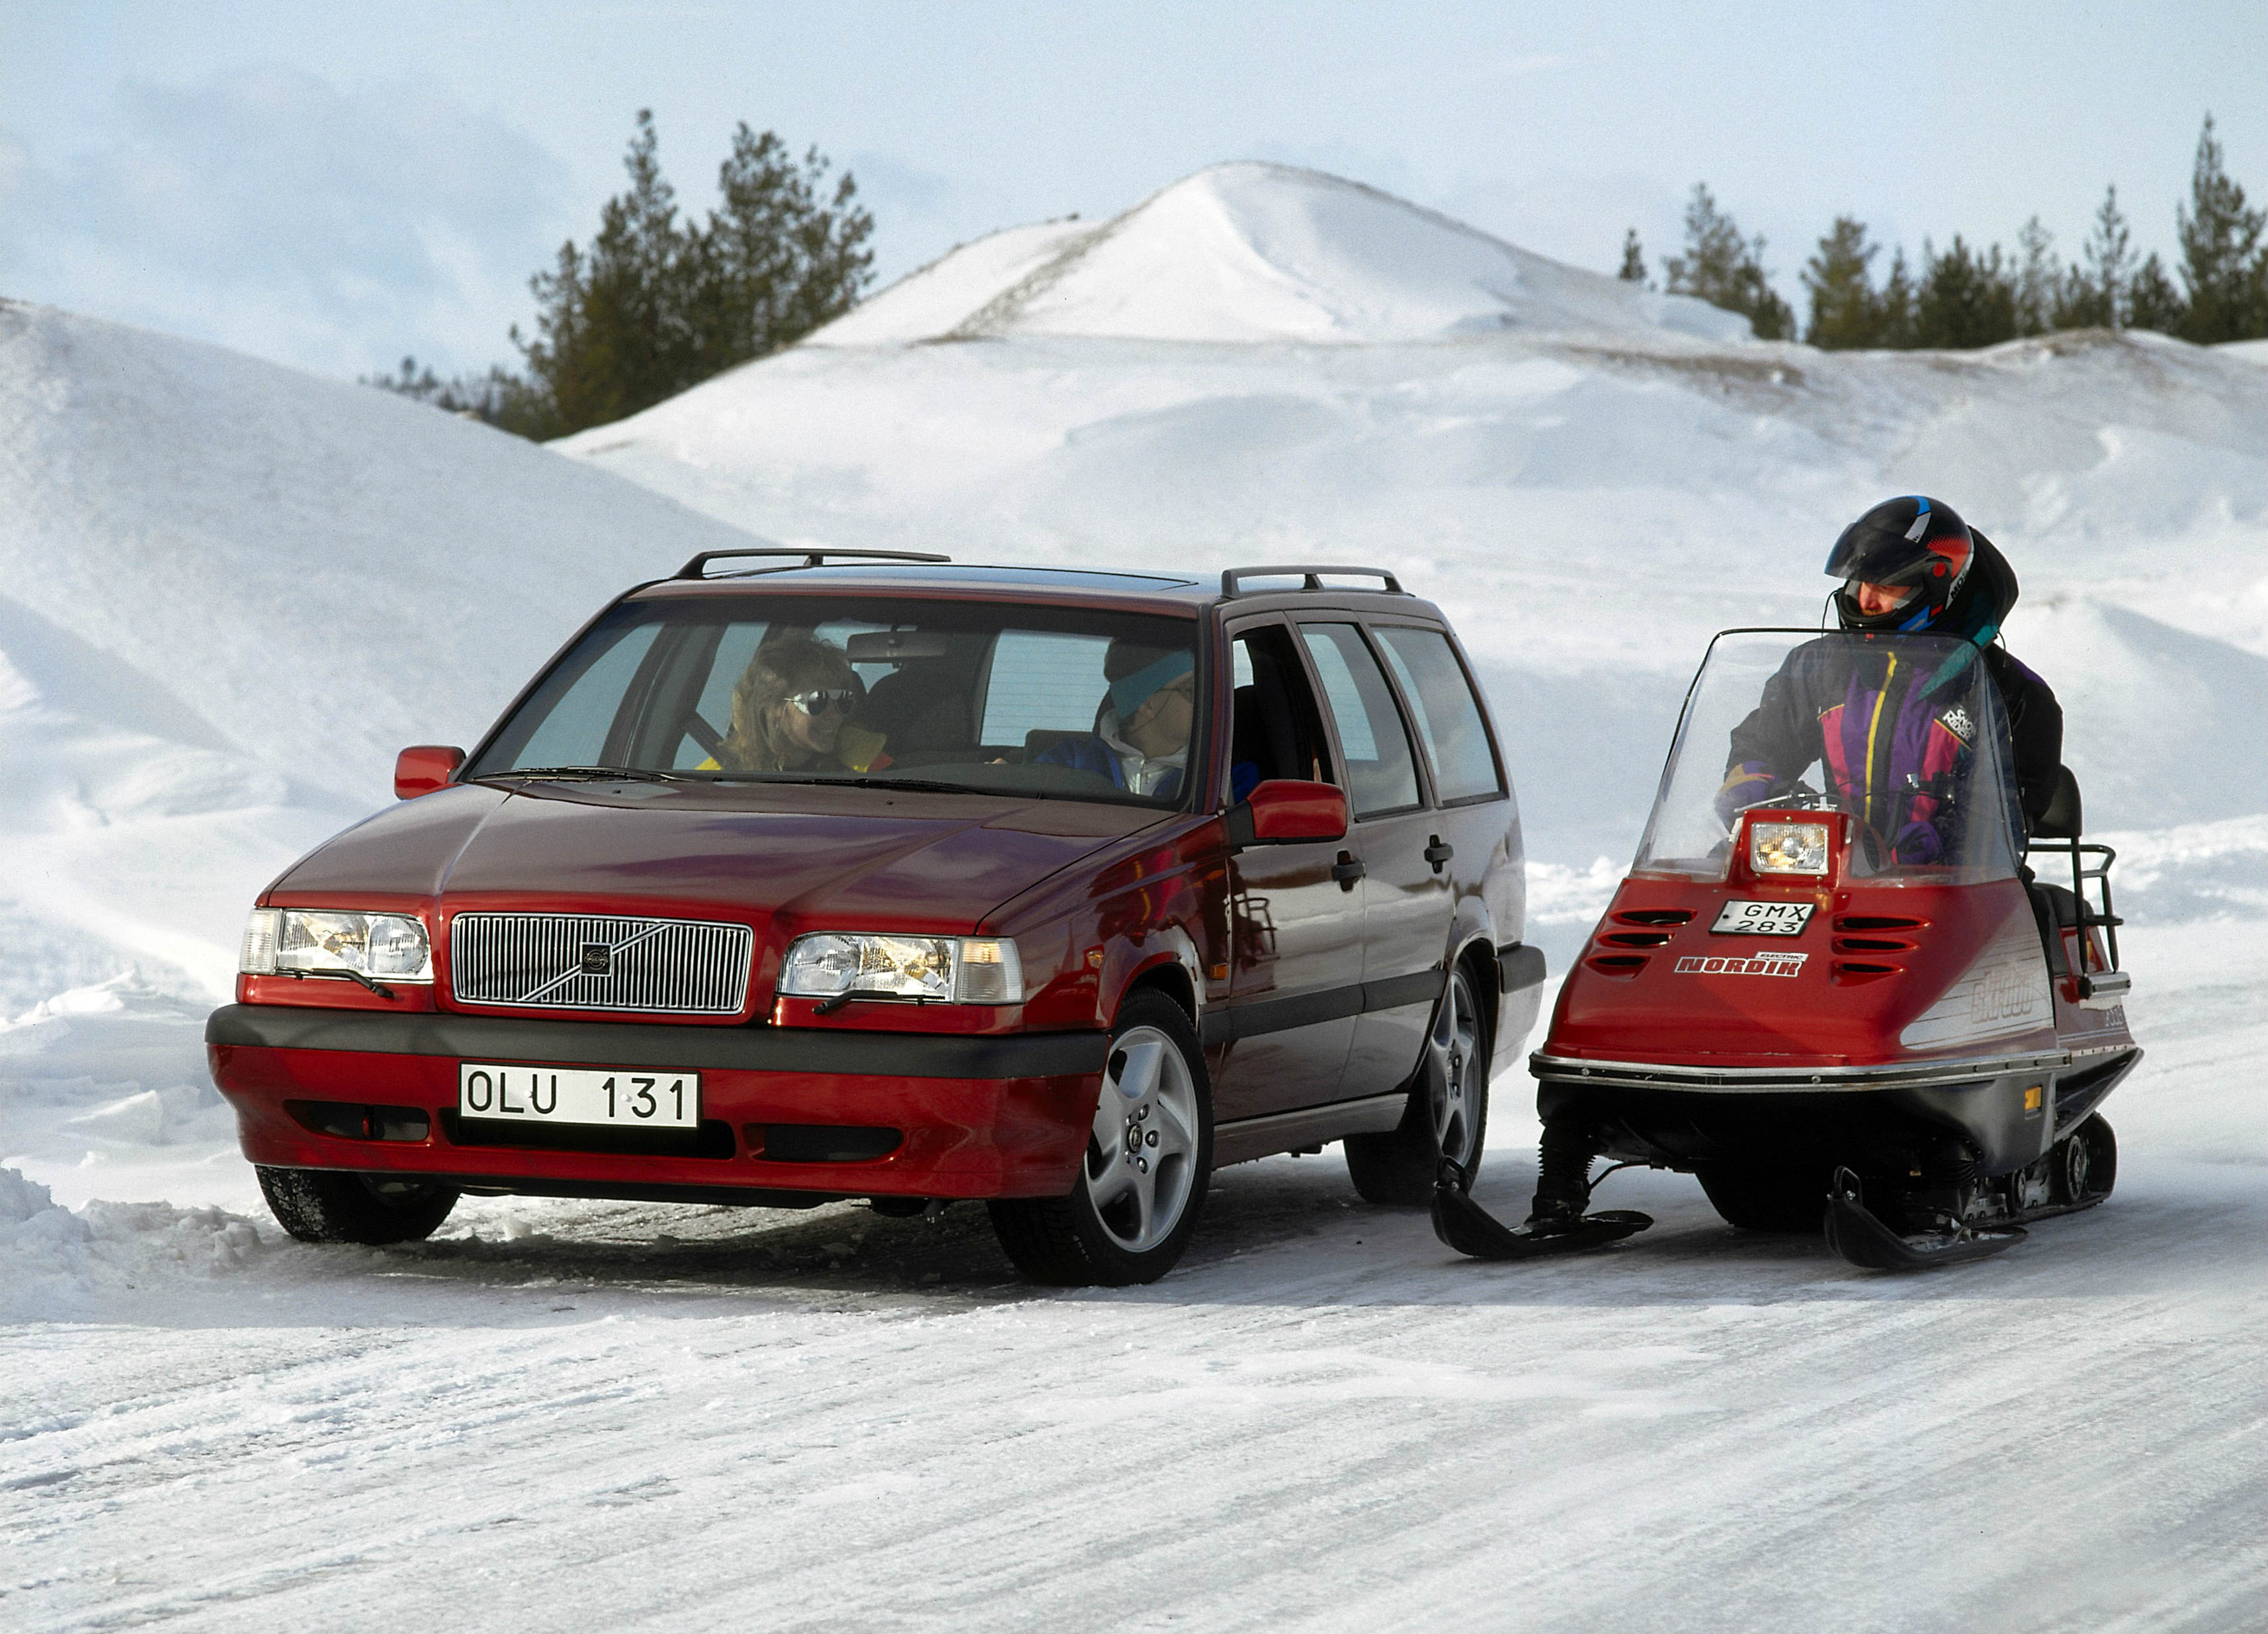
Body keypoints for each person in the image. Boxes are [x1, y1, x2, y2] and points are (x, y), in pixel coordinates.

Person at [1525, 495, 2062, 1233]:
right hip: (1820, 867)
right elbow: (1755, 747)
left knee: (1927, 976)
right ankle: (1630, 1083)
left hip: (1940, 883)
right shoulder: (1818, 668)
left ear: (1939, 584)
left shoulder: (2012, 695)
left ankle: (1939, 1160)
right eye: (1855, 585)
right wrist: (1761, 798)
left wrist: (1932, 842)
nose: (1864, 600)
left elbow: (2011, 809)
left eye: (1887, 587)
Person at [1030, 639, 1196, 798]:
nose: (1206, 700)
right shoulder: (1069, 762)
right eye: (1191, 690)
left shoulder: (1212, 775)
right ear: (1146, 704)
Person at [710, 633, 890, 775]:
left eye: (843, 700)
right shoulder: (715, 778)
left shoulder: (868, 765)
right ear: (774, 707)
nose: (835, 715)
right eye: (818, 700)